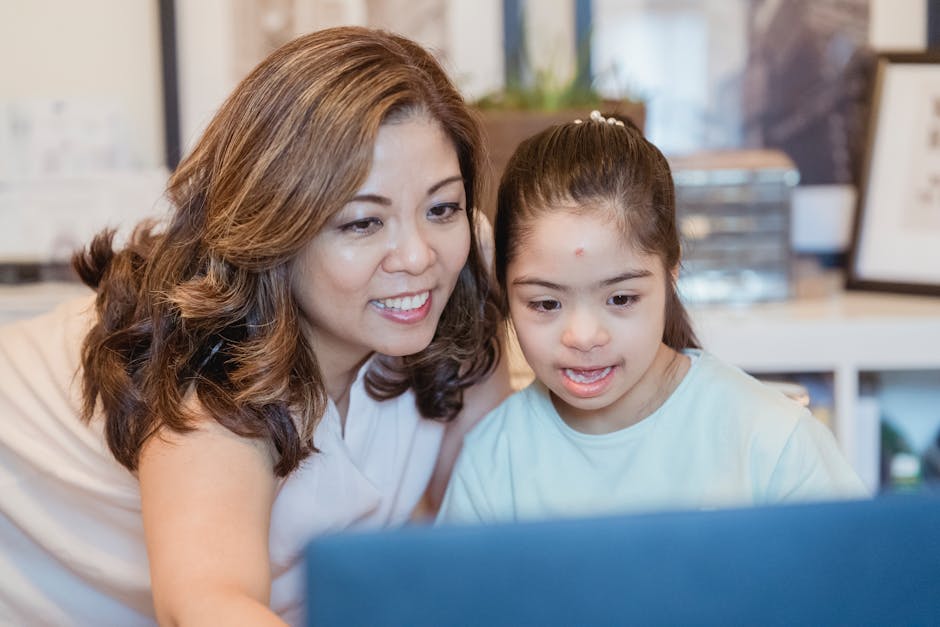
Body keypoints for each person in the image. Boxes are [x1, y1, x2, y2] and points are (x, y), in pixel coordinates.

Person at [0, 27, 511, 625]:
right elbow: (208, 604)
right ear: (277, 229)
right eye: (361, 224)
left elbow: (492, 539)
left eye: (441, 207)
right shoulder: (208, 370)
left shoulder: (457, 275)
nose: (419, 256)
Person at [436, 110, 867, 525]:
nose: (584, 336)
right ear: (505, 287)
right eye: (546, 304)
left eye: (621, 298)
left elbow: (865, 587)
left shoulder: (772, 441)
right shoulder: (493, 461)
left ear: (670, 272)